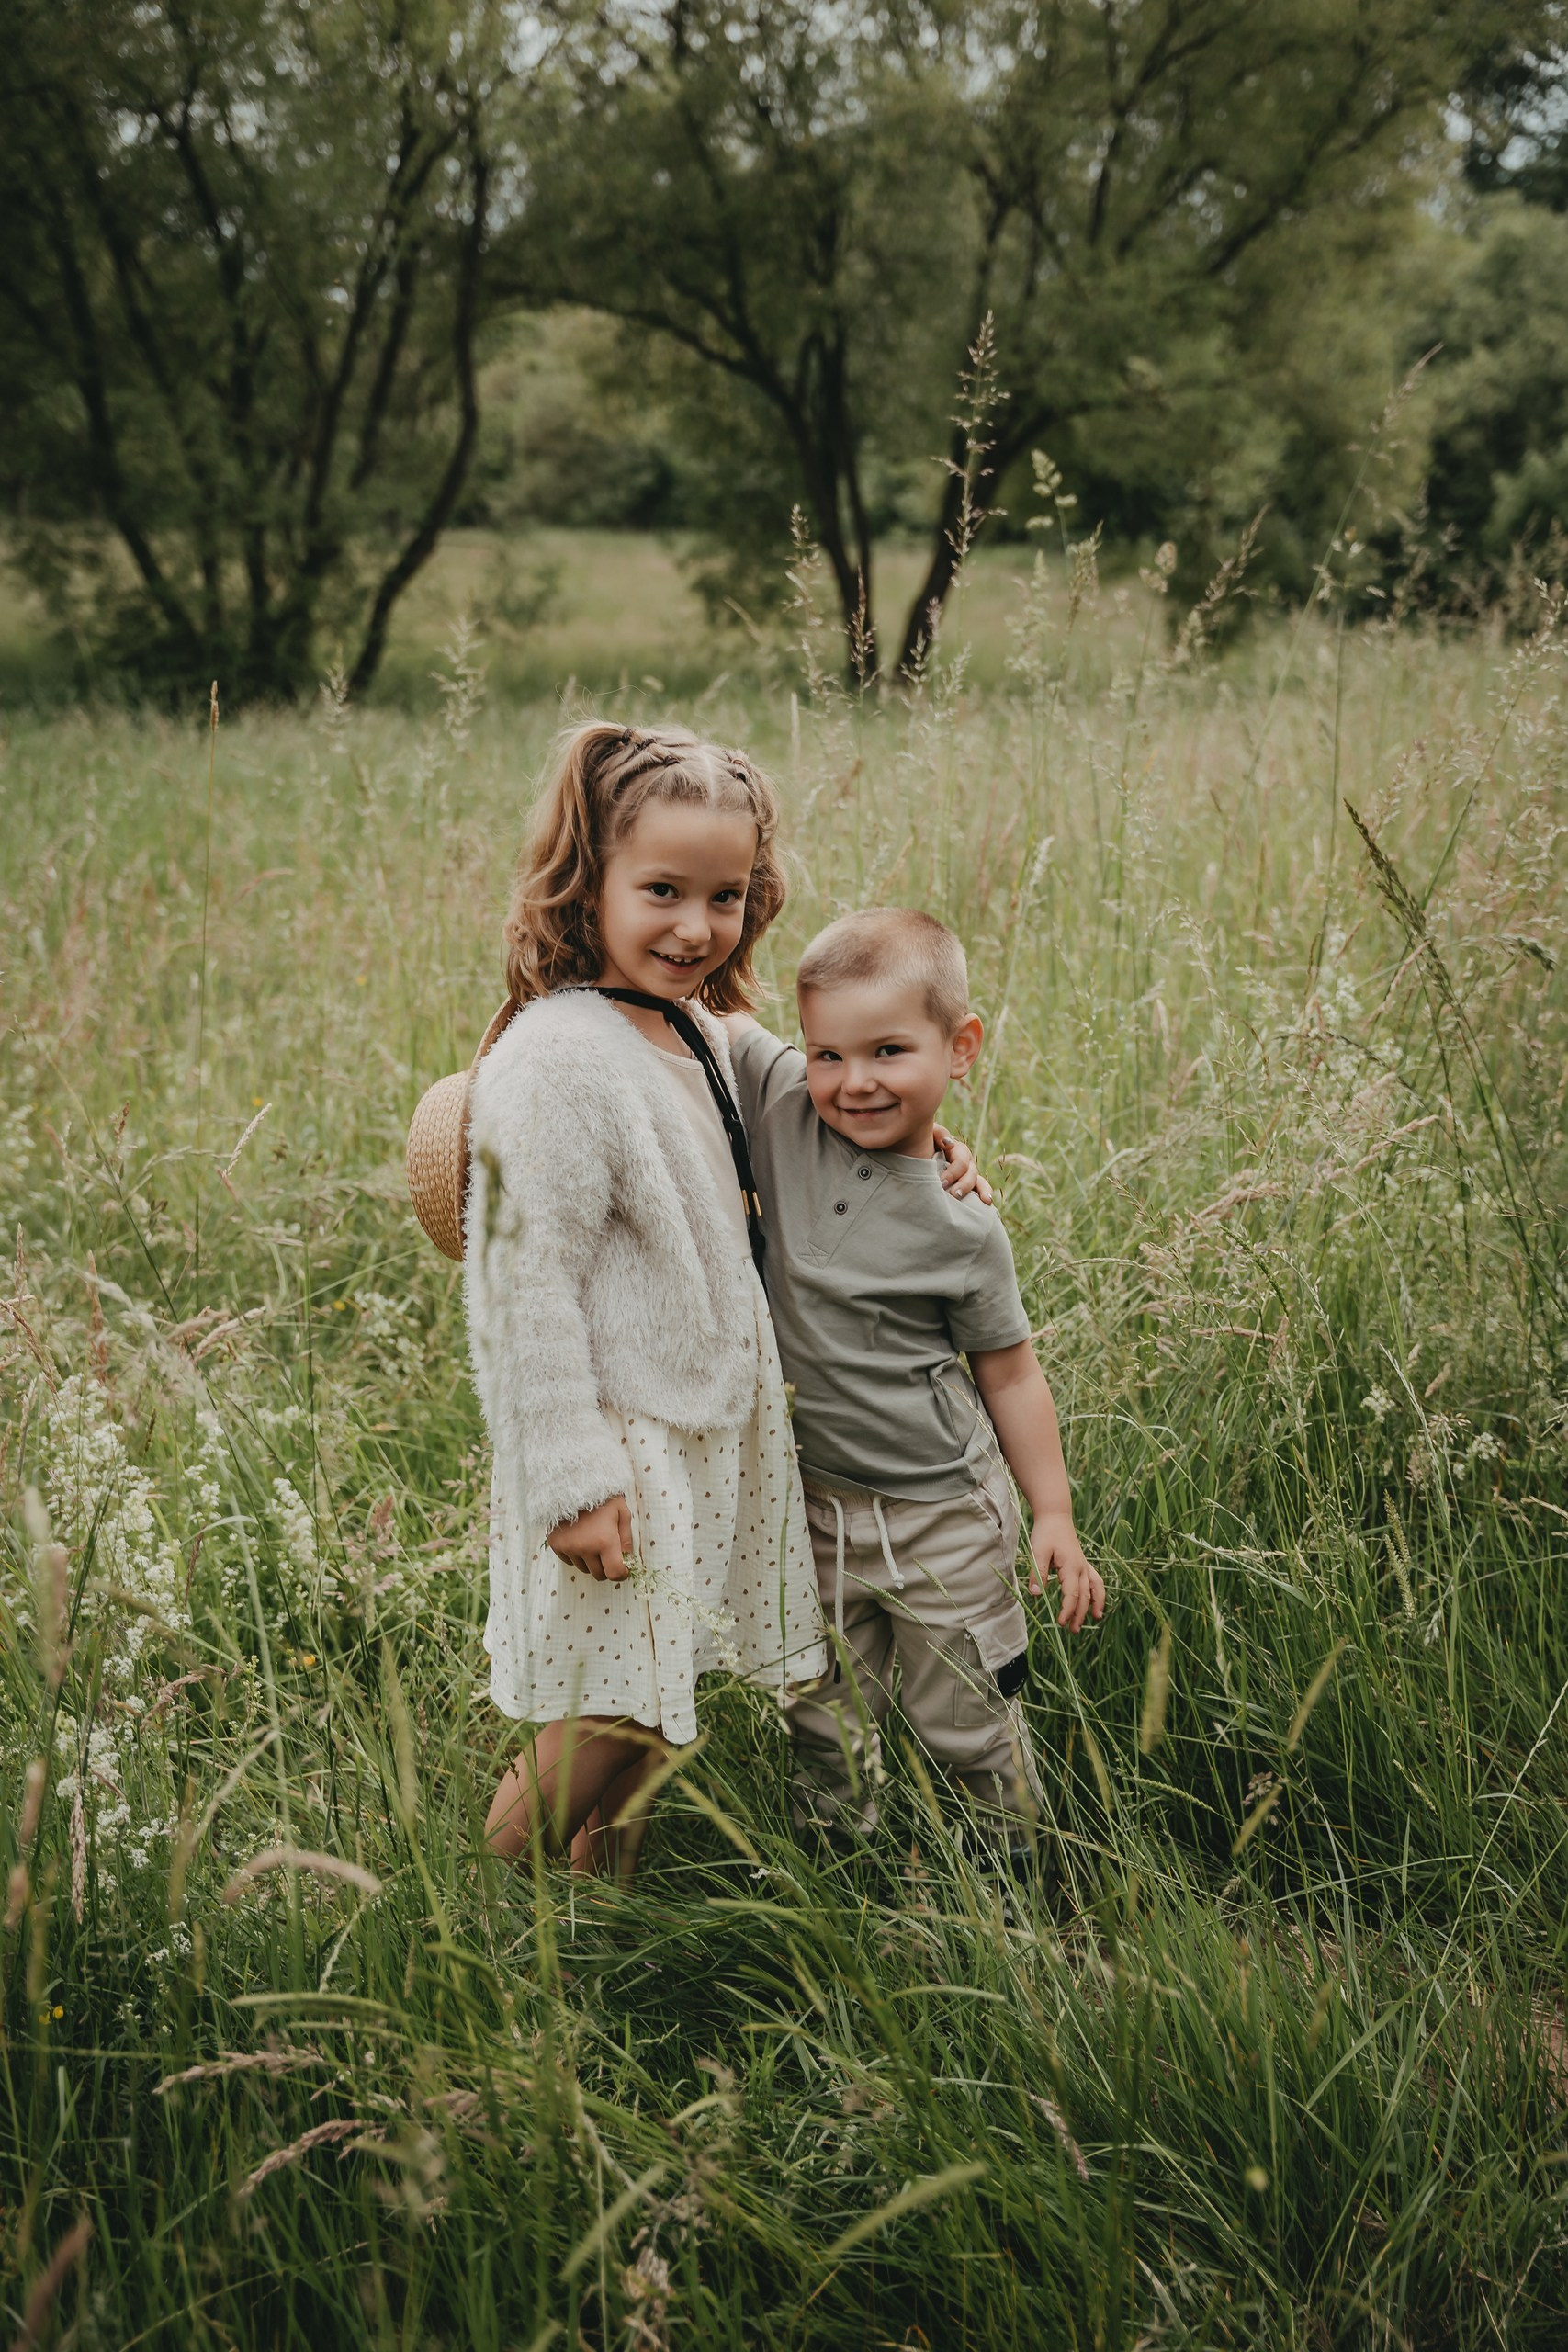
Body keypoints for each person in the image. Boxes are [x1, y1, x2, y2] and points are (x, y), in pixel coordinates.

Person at [465, 727, 985, 1878]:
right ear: (586, 881)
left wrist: (911, 1124)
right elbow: (519, 1284)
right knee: (608, 1714)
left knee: (655, 1701)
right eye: (661, 891)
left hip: (696, 1437)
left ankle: (598, 1918)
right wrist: (571, 1477)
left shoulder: (691, 1022)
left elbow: (807, 1082)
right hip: (615, 1443)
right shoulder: (559, 1058)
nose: (697, 927)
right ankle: (481, 1915)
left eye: (727, 895)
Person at [724, 907, 1104, 1867]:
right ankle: (838, 1881)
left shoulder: (962, 1226)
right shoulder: (778, 1098)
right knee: (823, 1716)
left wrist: (1050, 1510)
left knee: (966, 1721)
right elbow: (693, 1002)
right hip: (812, 1505)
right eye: (828, 1053)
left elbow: (1011, 1371)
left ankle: (1014, 1886)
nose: (853, 1082)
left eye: (889, 1049)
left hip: (940, 1513)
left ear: (960, 1046)